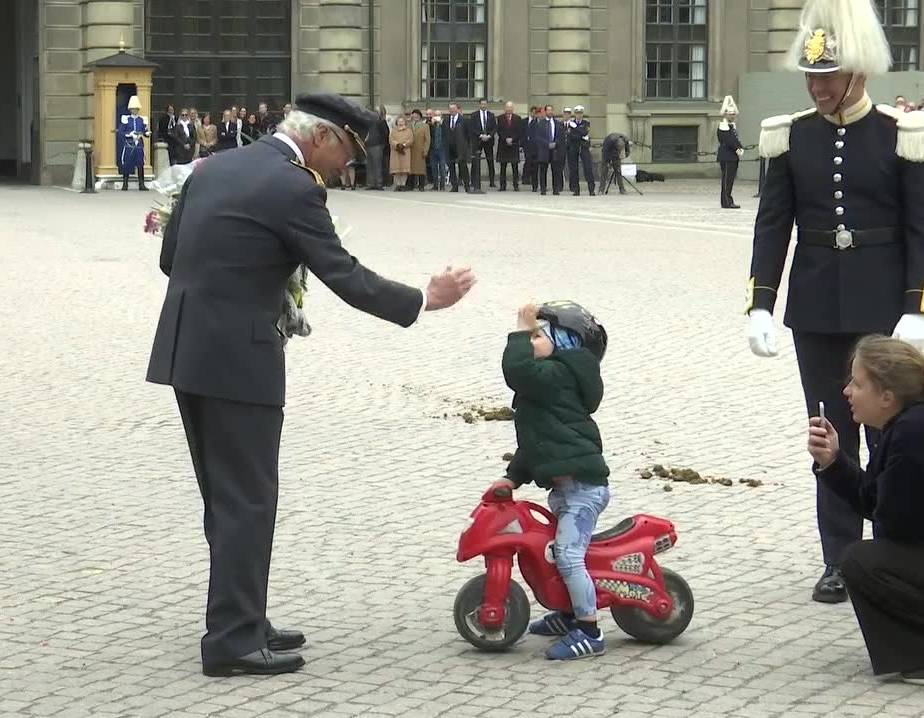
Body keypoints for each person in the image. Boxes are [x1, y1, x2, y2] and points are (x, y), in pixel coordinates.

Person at [146, 92, 476, 677]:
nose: (347, 166)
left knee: (226, 497)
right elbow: (343, 273)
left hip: (187, 349)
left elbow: (172, 257)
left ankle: (242, 616)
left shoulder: (219, 165)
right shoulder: (294, 185)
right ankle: (231, 641)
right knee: (248, 499)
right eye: (348, 152)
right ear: (322, 137)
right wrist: (425, 299)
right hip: (239, 359)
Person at [745, 0, 924, 604]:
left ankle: (895, 550)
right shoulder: (790, 136)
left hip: (885, 307)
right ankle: (840, 557)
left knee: (892, 438)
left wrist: (921, 307)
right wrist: (760, 302)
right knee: (829, 432)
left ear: (858, 74)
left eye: (828, 75)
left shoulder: (902, 133)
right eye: (812, 76)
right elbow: (772, 225)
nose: (818, 86)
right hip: (817, 309)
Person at [806, 336, 924, 686]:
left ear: (887, 397)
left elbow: (895, 524)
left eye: (857, 384)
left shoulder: (915, 432)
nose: (847, 392)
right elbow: (879, 503)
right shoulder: (912, 422)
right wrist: (834, 463)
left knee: (862, 561)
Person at [488, 300, 610, 661]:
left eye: (541, 335)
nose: (533, 340)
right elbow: (539, 443)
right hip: (565, 489)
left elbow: (518, 371)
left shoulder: (557, 376)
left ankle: (589, 631)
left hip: (583, 490)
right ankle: (569, 612)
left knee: (569, 556)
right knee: (556, 554)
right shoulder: (551, 383)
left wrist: (521, 329)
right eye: (534, 334)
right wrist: (513, 478)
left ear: (567, 343)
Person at [117, 96, 150, 191]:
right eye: (133, 109)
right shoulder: (126, 119)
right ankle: (125, 184)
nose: (134, 110)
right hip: (129, 144)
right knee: (126, 163)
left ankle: (141, 184)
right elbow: (120, 132)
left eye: (136, 109)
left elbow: (145, 131)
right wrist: (129, 134)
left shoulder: (142, 120)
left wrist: (146, 133)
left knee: (140, 163)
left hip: (139, 144)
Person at [717, 95, 744, 209]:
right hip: (727, 156)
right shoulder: (723, 126)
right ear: (726, 114)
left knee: (730, 180)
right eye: (730, 114)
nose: (732, 116)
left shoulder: (731, 126)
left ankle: (728, 200)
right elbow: (728, 141)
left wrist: (740, 147)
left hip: (732, 156)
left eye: (733, 114)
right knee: (727, 180)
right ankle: (726, 201)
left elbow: (735, 139)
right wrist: (736, 149)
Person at [565, 105, 596, 196]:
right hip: (573, 148)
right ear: (575, 114)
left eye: (580, 113)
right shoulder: (570, 123)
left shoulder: (586, 123)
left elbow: (585, 132)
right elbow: (571, 136)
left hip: (584, 148)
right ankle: (576, 189)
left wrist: (576, 129)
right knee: (574, 170)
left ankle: (591, 189)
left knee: (588, 168)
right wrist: (581, 135)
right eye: (577, 113)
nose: (579, 115)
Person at [496, 101, 524, 191]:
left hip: (514, 145)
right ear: (505, 108)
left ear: (513, 108)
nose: (509, 109)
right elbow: (499, 130)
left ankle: (515, 185)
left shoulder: (518, 118)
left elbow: (520, 131)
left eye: (510, 107)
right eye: (507, 107)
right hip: (503, 145)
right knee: (503, 167)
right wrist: (506, 138)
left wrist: (513, 139)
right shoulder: (500, 118)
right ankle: (502, 185)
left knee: (514, 166)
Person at [388, 115, 413, 191]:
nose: (400, 123)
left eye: (402, 121)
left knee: (404, 170)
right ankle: (398, 184)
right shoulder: (394, 131)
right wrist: (397, 144)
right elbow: (391, 140)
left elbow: (411, 139)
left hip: (405, 151)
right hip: (396, 152)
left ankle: (403, 184)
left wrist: (404, 144)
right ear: (396, 122)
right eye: (399, 121)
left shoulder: (408, 131)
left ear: (405, 122)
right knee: (397, 170)